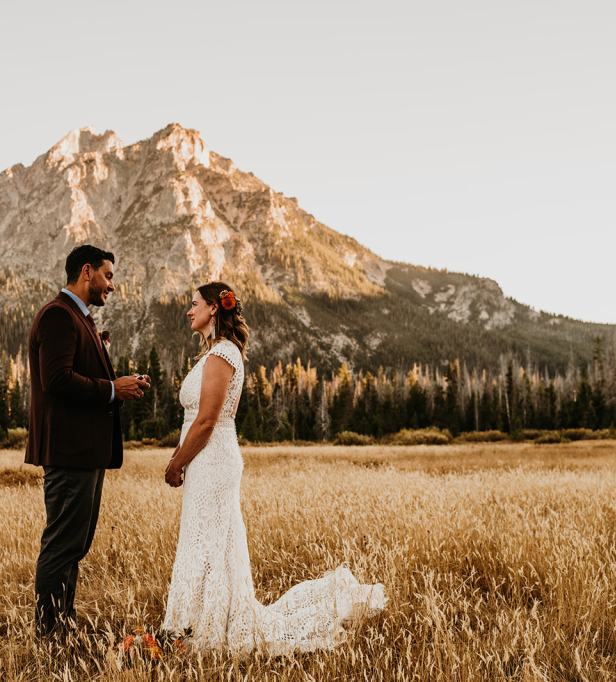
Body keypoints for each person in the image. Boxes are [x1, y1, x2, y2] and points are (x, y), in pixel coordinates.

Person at [162, 282, 387, 654]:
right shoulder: (212, 353)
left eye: (194, 304)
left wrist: (177, 463)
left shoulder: (222, 354)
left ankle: (213, 626)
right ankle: (198, 623)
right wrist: (181, 457)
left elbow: (206, 421)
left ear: (214, 309)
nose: (188, 310)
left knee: (214, 542)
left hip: (213, 458)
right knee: (206, 542)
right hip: (206, 459)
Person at [25, 244, 151, 637]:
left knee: (74, 546)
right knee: (62, 544)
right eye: (108, 275)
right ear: (86, 272)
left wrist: (119, 386)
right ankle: (50, 634)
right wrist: (113, 388)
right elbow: (58, 381)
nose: (111, 285)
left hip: (83, 452)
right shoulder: (58, 317)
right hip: (69, 452)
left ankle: (64, 624)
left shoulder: (79, 319)